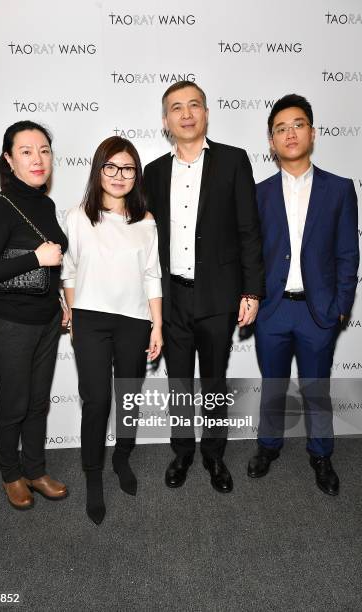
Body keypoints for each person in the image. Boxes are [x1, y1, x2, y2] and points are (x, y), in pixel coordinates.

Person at [143, 81, 265, 493]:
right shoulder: (154, 171)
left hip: (217, 296)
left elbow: (249, 230)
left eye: (194, 105)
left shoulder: (233, 161)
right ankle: (182, 452)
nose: (187, 113)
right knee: (178, 382)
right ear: (166, 121)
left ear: (206, 113)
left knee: (213, 381)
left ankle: (214, 455)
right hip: (172, 295)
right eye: (176, 108)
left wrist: (252, 291)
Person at [248, 94, 359, 495]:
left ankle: (321, 454)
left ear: (312, 132)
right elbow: (250, 255)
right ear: (271, 141)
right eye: (280, 128)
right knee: (273, 384)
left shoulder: (340, 189)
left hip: (318, 312)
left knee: (317, 388)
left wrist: (341, 307)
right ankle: (268, 446)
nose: (289, 133)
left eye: (297, 125)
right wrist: (255, 301)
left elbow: (348, 253)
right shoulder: (257, 194)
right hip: (273, 311)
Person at [0, 120, 69, 510]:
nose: (38, 158)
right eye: (26, 151)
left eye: (44, 150)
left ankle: (36, 469)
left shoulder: (44, 204)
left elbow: (53, 262)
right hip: (8, 324)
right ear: (9, 160)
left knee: (38, 402)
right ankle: (12, 475)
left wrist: (58, 296)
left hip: (45, 321)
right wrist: (35, 257)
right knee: (15, 403)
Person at [62, 136, 162, 525]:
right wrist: (72, 314)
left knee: (127, 398)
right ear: (98, 169)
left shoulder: (146, 222)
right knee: (97, 401)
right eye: (111, 167)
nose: (119, 176)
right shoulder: (76, 217)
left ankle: (122, 458)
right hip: (90, 320)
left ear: (136, 175)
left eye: (127, 169)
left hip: (135, 321)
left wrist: (157, 325)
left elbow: (152, 275)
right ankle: (93, 478)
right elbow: (68, 270)